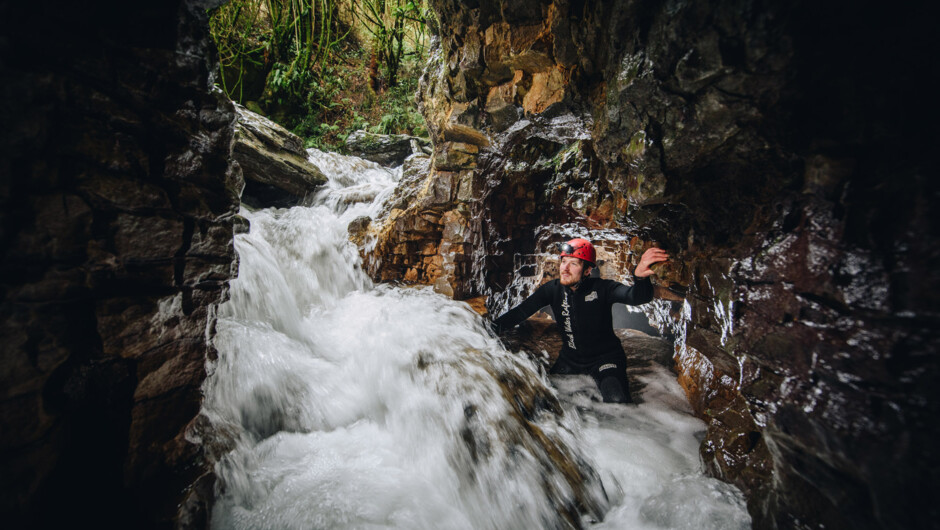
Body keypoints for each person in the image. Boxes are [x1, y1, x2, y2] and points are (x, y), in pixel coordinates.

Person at [492, 238, 669, 403]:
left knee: (617, 400)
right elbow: (520, 312)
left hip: (605, 359)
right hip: (570, 360)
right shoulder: (552, 290)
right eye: (563, 261)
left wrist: (639, 277)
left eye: (573, 263)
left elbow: (635, 297)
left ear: (587, 270)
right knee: (545, 399)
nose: (564, 268)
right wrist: (486, 329)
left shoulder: (602, 288)